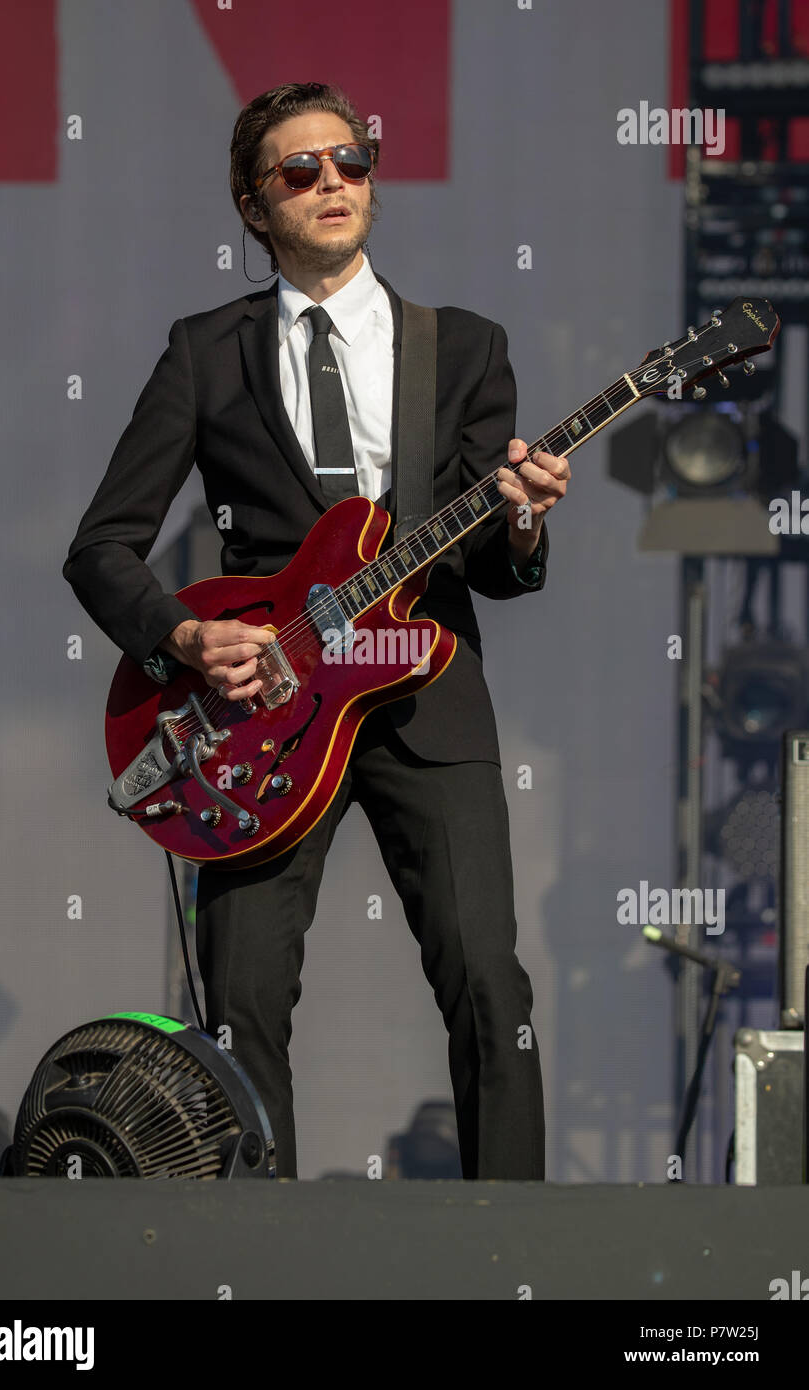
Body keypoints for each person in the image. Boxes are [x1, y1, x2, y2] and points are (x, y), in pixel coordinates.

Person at [63, 82, 571, 1180]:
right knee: (241, 1000)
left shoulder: (464, 346)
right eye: (300, 171)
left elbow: (496, 562)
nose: (332, 183)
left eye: (349, 160)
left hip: (424, 686)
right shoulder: (204, 351)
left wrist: (520, 519)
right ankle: (264, 1258)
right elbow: (101, 546)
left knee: (489, 978)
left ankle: (516, 1249)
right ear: (255, 207)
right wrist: (184, 640)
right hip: (261, 708)